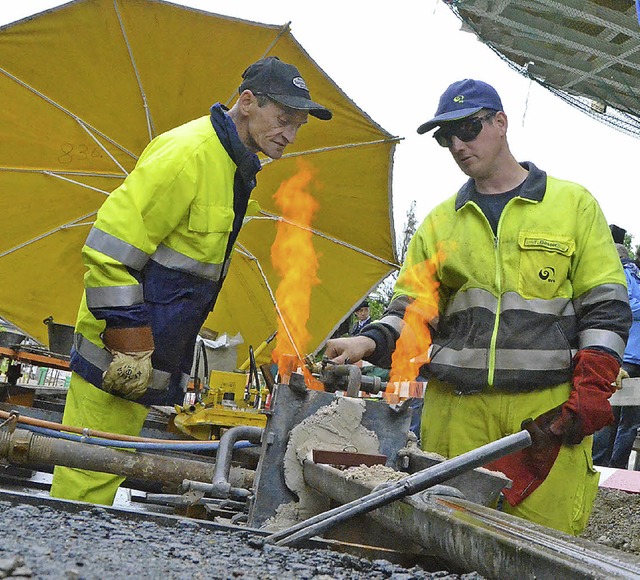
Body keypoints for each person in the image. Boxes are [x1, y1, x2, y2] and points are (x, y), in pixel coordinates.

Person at [326, 78, 631, 535]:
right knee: (445, 546)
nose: (458, 145)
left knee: (542, 548)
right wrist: (369, 340)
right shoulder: (440, 222)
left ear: (501, 122)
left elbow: (605, 310)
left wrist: (590, 392)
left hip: (545, 417)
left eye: (468, 128)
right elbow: (413, 310)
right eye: (447, 137)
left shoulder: (572, 207)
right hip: (456, 414)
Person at [50, 56, 332, 505]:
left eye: (298, 125)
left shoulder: (230, 166)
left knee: (104, 472)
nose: (290, 135)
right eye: (282, 120)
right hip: (116, 355)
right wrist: (129, 341)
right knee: (88, 477)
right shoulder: (190, 154)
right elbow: (108, 251)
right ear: (246, 103)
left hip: (140, 358)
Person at [593, 243, 640, 469]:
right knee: (610, 414)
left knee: (628, 421)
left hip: (632, 356)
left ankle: (616, 469)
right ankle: (601, 465)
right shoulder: (625, 275)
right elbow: (626, 306)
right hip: (626, 357)